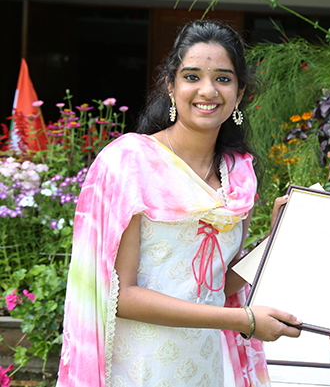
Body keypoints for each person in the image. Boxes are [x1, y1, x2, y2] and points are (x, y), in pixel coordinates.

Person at [56, 19, 301, 387]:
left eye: (223, 78)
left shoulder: (238, 175)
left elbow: (220, 283)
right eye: (192, 76)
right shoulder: (131, 163)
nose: (208, 90)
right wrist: (243, 321)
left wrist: (275, 238)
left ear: (240, 92)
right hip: (138, 368)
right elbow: (121, 296)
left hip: (203, 366)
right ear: (171, 86)